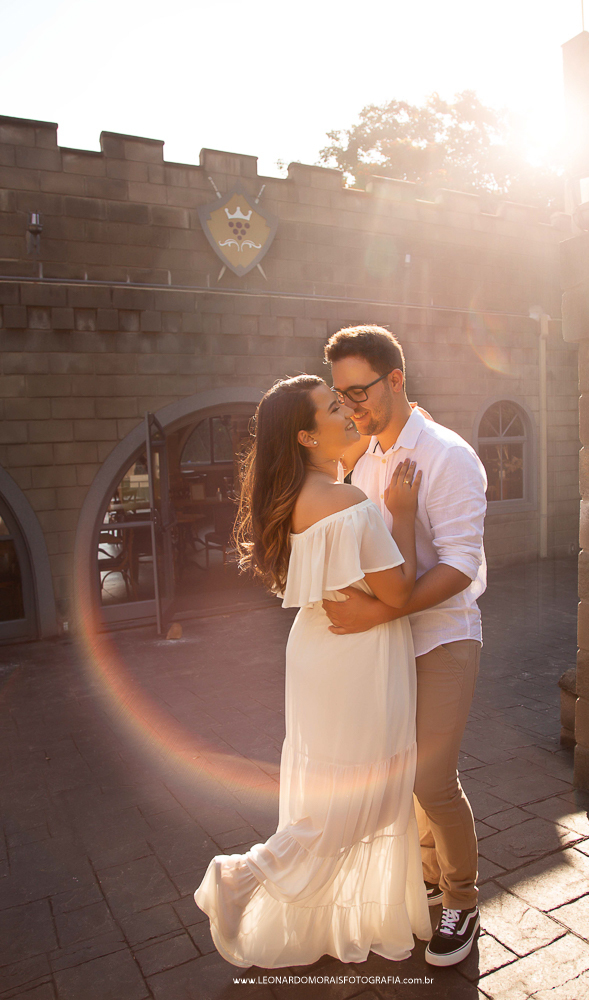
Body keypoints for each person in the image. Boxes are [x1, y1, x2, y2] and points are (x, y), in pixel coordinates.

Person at [194, 374, 432, 969]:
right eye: (333, 407)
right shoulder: (347, 503)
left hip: (321, 651)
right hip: (355, 653)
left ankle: (308, 904)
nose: (347, 410)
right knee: (363, 798)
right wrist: (399, 512)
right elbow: (399, 591)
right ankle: (243, 877)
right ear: (305, 434)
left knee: (339, 794)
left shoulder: (298, 496)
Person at [323, 325, 487, 968]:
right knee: (402, 776)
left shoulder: (448, 454)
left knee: (432, 779)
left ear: (396, 379)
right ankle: (425, 878)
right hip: (383, 643)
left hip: (442, 636)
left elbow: (460, 567)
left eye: (359, 391)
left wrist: (378, 610)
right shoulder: (360, 460)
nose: (351, 406)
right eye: (341, 396)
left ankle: (462, 900)